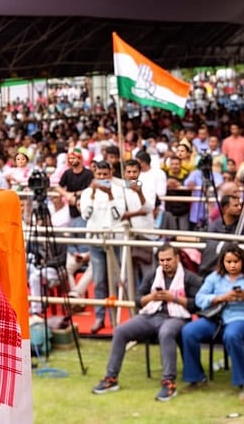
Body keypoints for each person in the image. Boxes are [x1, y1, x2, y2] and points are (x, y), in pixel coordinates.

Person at [93, 244, 203, 402]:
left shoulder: (190, 278)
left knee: (166, 333)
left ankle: (168, 383)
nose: (165, 263)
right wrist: (151, 297)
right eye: (162, 260)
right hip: (151, 314)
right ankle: (111, 378)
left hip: (177, 317)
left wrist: (174, 298)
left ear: (177, 258)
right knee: (121, 331)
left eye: (168, 259)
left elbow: (197, 305)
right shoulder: (153, 275)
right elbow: (138, 300)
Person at [182, 243, 244, 401]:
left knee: (232, 334)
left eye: (236, 261)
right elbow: (199, 299)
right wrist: (220, 298)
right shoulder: (214, 278)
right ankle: (196, 378)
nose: (232, 265)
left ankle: (243, 382)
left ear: (243, 261)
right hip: (217, 318)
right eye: (228, 262)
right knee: (189, 331)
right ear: (222, 262)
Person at [81, 160, 128, 334]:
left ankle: (116, 319)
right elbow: (86, 215)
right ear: (94, 175)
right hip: (95, 241)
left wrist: (110, 195)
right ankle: (100, 317)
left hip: (114, 241)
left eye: (105, 175)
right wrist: (93, 194)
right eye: (99, 175)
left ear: (111, 173)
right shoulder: (87, 192)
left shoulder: (119, 191)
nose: (102, 178)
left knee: (115, 281)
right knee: (99, 281)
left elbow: (118, 215)